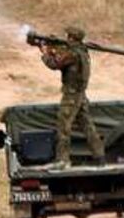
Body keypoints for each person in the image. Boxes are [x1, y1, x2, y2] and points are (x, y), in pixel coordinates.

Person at [40, 26, 106, 170]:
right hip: (80, 94)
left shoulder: (73, 53)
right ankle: (100, 156)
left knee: (64, 125)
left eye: (68, 36)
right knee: (87, 125)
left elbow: (55, 64)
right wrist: (54, 50)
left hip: (72, 94)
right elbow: (62, 58)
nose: (66, 38)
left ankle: (63, 160)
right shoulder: (81, 51)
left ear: (72, 38)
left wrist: (45, 53)